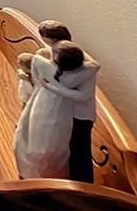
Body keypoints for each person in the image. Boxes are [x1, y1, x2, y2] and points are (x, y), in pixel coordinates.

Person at [14, 43, 86, 179]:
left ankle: (37, 173)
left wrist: (51, 87)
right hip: (54, 105)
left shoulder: (48, 71)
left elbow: (36, 62)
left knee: (43, 138)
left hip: (48, 105)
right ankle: (37, 172)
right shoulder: (75, 79)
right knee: (41, 137)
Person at [38, 41, 100, 183]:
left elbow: (82, 96)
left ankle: (83, 182)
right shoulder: (73, 71)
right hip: (70, 114)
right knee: (69, 146)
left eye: (55, 54)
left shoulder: (83, 74)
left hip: (81, 117)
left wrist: (50, 87)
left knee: (79, 149)